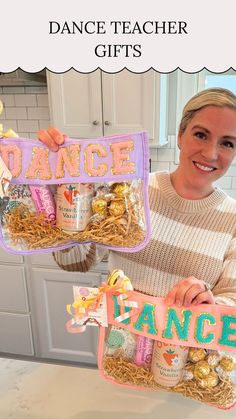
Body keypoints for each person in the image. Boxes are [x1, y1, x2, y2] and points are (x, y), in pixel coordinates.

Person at [38, 87, 236, 307]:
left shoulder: (233, 219)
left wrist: (210, 301)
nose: (210, 153)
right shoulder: (130, 191)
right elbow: (76, 261)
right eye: (201, 135)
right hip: (119, 340)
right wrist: (64, 193)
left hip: (184, 342)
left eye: (227, 143)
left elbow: (232, 298)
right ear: (180, 135)